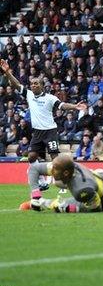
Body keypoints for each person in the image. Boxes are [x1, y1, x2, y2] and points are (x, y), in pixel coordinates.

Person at [1, 59, 86, 196]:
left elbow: (62, 105)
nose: (33, 85)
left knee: (55, 159)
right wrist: (7, 72)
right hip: (37, 133)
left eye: (36, 83)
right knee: (31, 156)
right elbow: (16, 85)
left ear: (41, 86)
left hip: (50, 131)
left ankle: (63, 183)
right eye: (32, 83)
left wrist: (75, 107)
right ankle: (41, 181)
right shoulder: (28, 94)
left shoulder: (50, 98)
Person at [19, 155, 103, 213]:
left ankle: (43, 204)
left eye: (54, 169)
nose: (51, 171)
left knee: (61, 205)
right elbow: (34, 168)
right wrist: (36, 196)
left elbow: (96, 209)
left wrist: (68, 208)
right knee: (57, 182)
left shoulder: (81, 189)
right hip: (99, 177)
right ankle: (37, 202)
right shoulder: (66, 166)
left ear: (65, 173)